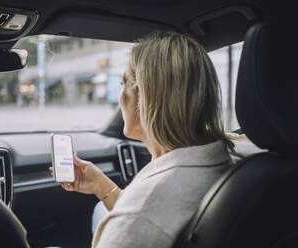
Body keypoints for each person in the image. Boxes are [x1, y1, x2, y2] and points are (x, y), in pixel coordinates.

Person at [51, 31, 234, 247]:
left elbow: (143, 217)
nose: (121, 97)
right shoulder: (220, 159)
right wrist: (102, 187)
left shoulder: (137, 217)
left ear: (145, 97)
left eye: (124, 84)